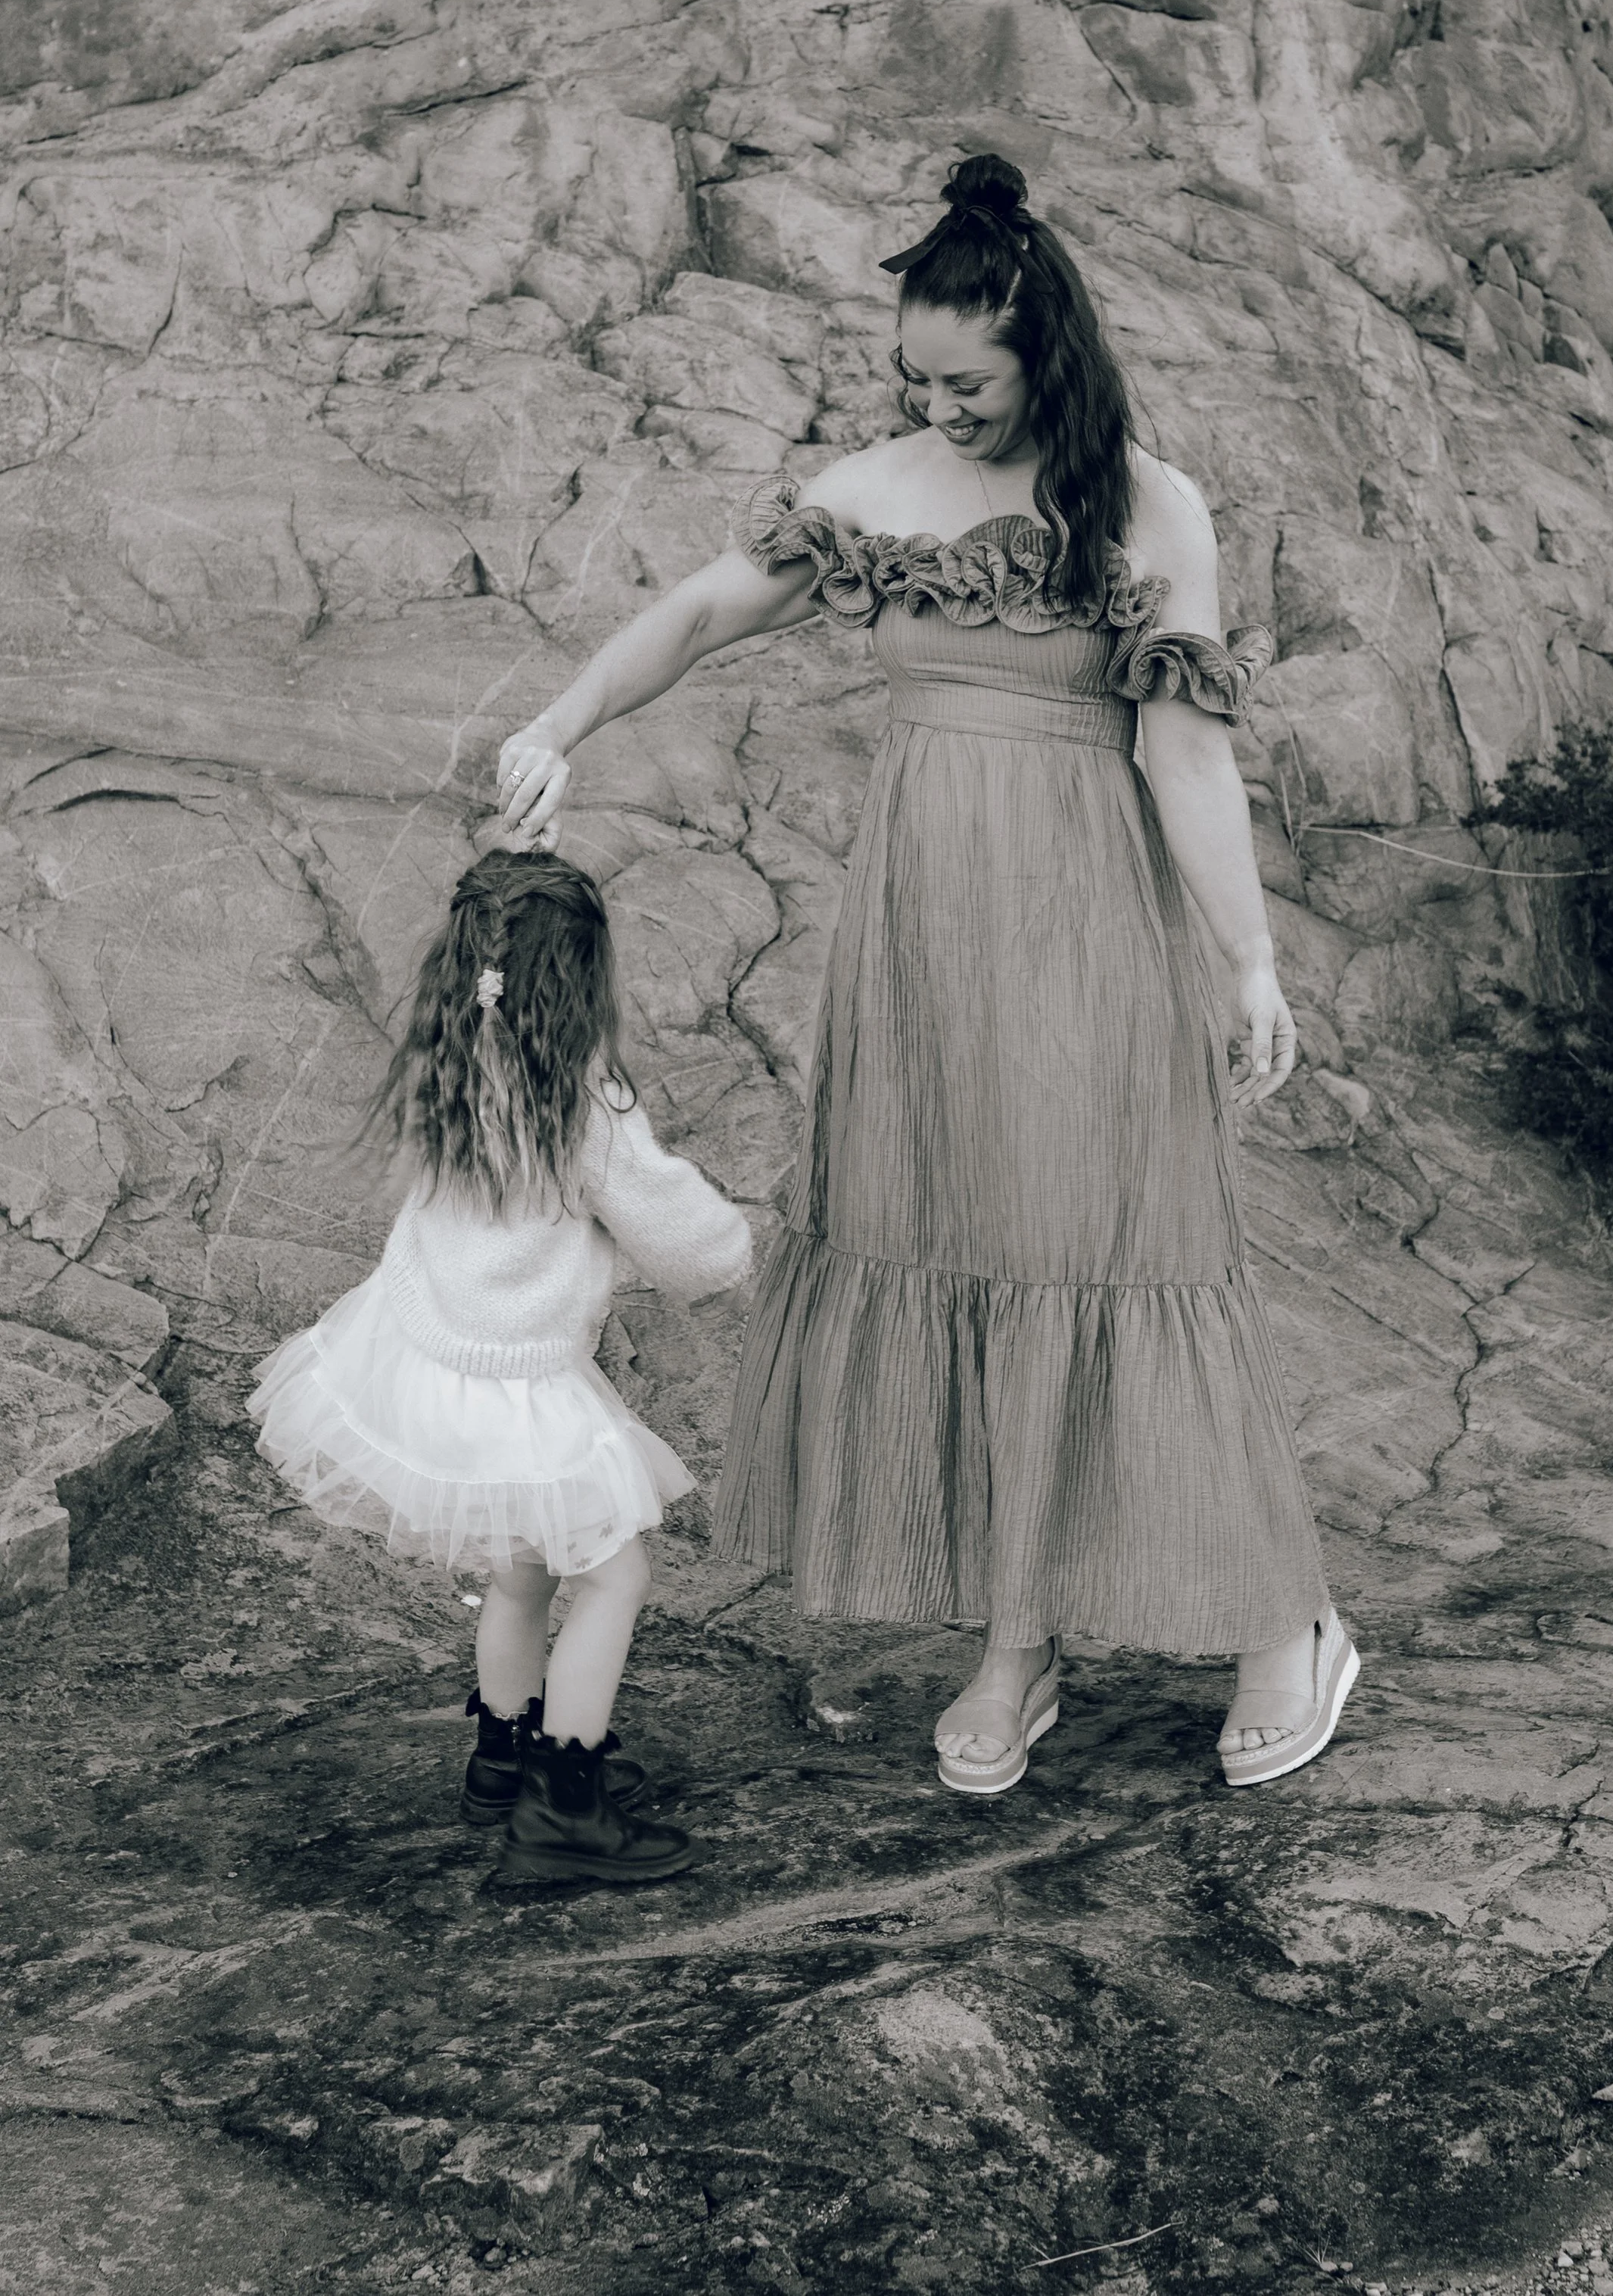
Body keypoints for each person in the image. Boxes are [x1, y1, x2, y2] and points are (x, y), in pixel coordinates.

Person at [497, 154, 1357, 1795]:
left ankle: (1282, 1618)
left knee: (1116, 1255)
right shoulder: (873, 491)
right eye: (916, 379)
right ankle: (1017, 1641)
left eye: (967, 380)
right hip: (916, 942)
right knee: (955, 1242)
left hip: (1087, 930)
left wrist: (1247, 961)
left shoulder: (1147, 510)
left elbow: (1183, 753)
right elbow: (694, 616)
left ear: (1050, 354)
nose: (938, 407)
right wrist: (560, 723)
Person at [248, 848, 752, 1883]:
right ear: (585, 981)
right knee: (614, 1571)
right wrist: (749, 1252)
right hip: (517, 1387)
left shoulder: (447, 1057)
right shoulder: (586, 1106)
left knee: (519, 1570)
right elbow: (692, 1244)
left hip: (417, 1358)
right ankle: (566, 1807)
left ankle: (501, 1756)